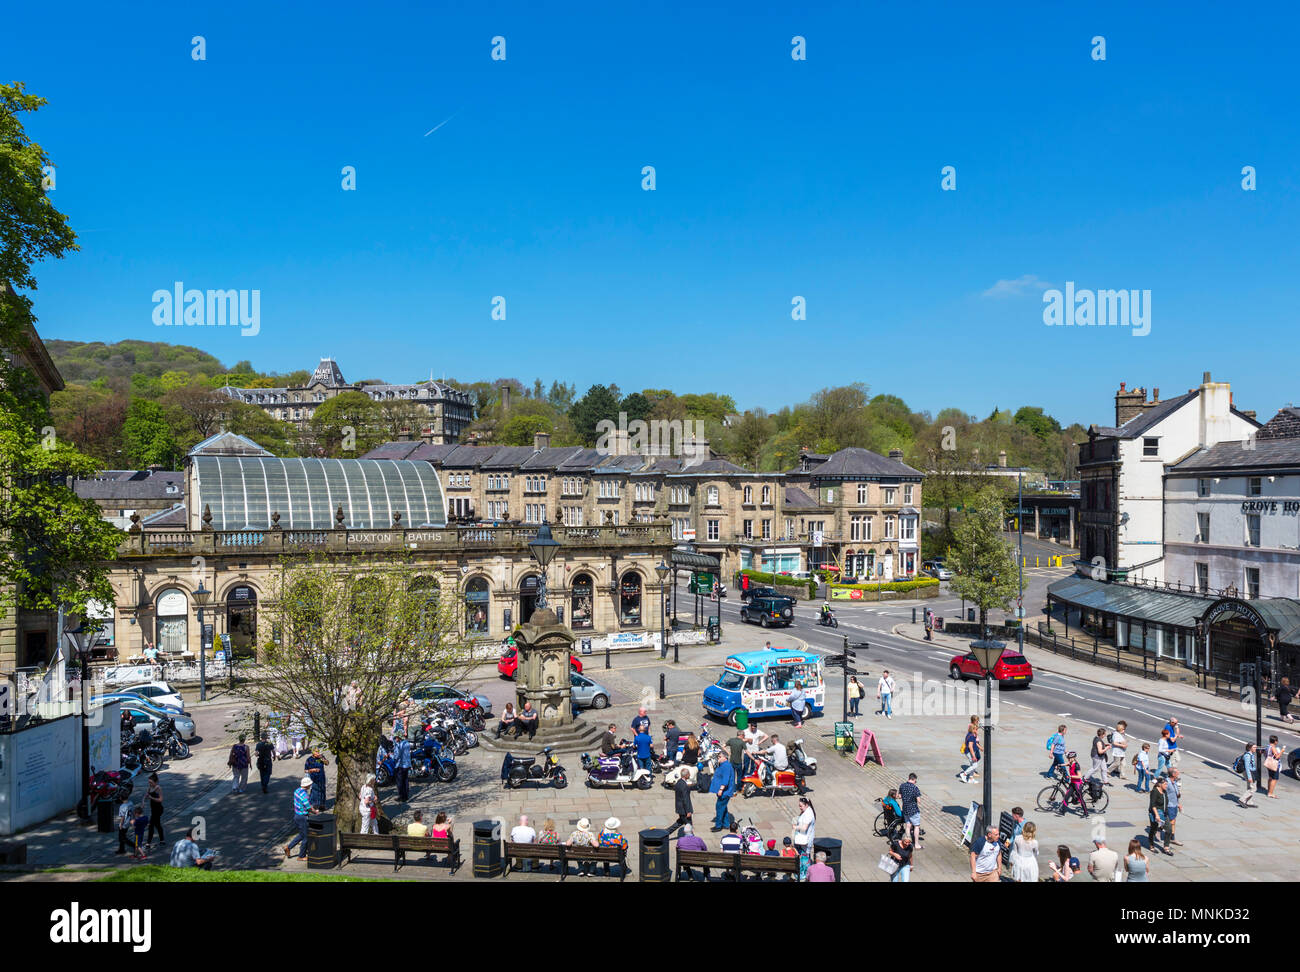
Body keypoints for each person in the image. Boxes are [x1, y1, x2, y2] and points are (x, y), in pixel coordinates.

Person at [284, 776, 318, 859]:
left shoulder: (297, 791)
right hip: (303, 817)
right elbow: (308, 807)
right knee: (306, 837)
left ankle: (288, 847)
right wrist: (315, 811)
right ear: (307, 785)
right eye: (310, 784)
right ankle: (301, 856)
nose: (310, 786)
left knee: (301, 834)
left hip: (297, 816)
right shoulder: (304, 795)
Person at [710, 750, 737, 831]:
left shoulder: (726, 766)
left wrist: (721, 789)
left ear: (725, 757)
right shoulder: (723, 764)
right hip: (723, 791)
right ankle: (726, 824)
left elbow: (726, 779)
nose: (718, 758)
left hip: (725, 792)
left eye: (720, 757)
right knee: (723, 807)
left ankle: (718, 826)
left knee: (719, 807)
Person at [792, 796, 816, 875]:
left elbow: (804, 828)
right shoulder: (807, 811)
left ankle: (804, 874)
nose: (799, 807)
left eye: (801, 806)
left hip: (805, 840)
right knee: (803, 856)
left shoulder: (809, 814)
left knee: (804, 858)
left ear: (806, 805)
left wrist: (796, 827)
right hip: (801, 839)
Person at [1148, 776, 1171, 853]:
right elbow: (1153, 804)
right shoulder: (1155, 791)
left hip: (1164, 814)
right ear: (1160, 784)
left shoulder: (1164, 791)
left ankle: (1166, 847)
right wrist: (1157, 815)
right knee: (1153, 829)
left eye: (1167, 784)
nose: (1166, 786)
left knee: (1169, 830)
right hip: (1156, 814)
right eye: (1165, 784)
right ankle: (1151, 845)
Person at [668, 767, 694, 834]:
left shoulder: (679, 782)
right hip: (684, 810)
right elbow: (685, 799)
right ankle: (691, 840)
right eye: (689, 773)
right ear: (686, 775)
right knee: (689, 826)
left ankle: (667, 832)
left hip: (680, 808)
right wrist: (688, 811)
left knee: (680, 822)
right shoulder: (684, 785)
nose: (690, 774)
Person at [899, 773, 923, 846]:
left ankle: (908, 842)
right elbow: (919, 800)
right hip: (913, 810)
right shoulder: (915, 788)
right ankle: (916, 844)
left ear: (909, 778)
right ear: (914, 779)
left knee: (908, 826)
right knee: (916, 826)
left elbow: (899, 796)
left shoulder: (902, 786)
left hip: (905, 809)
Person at [1165, 767, 1183, 847]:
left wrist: (1178, 803)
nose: (1178, 774)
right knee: (1171, 822)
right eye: (1177, 773)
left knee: (1173, 822)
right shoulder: (1167, 782)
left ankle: (1172, 837)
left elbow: (1176, 794)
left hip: (1174, 804)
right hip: (1169, 805)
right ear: (1173, 774)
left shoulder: (1175, 782)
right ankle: (1170, 837)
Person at [1235, 742, 1258, 808]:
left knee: (1250, 787)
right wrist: (1249, 777)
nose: (1255, 748)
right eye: (1254, 747)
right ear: (1250, 748)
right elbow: (1247, 767)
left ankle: (1249, 802)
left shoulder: (1251, 754)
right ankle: (1242, 800)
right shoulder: (1247, 756)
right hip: (1249, 772)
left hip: (1252, 772)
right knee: (1253, 788)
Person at [146, 772, 165, 849]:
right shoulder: (149, 788)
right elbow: (146, 795)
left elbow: (161, 799)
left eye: (151, 782)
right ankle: (162, 840)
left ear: (155, 782)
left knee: (151, 825)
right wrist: (143, 801)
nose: (150, 784)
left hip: (158, 809)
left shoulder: (158, 788)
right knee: (157, 824)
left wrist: (151, 798)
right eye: (149, 782)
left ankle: (148, 843)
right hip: (153, 809)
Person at [394, 734, 412, 802]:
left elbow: (397, 756)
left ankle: (401, 796)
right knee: (406, 780)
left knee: (400, 781)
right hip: (407, 764)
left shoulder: (399, 745)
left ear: (399, 738)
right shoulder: (407, 743)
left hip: (400, 765)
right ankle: (406, 796)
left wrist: (391, 756)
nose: (396, 739)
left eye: (396, 738)